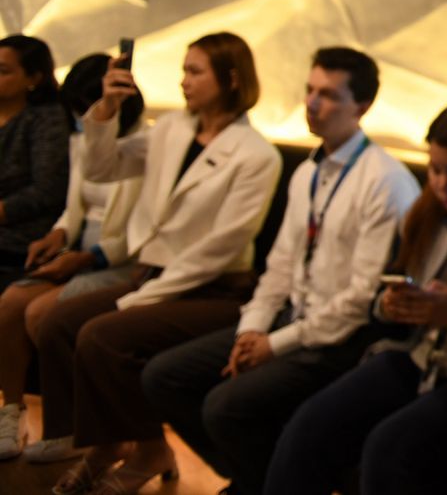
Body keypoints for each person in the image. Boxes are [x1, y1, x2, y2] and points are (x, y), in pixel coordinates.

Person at [141, 47, 420, 495]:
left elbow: (360, 299)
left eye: (328, 95)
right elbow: (281, 265)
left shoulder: (384, 181)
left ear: (362, 106)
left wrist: (275, 344)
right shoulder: (308, 172)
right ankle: (260, 480)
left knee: (224, 406)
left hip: (342, 338)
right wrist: (251, 330)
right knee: (164, 376)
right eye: (309, 90)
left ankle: (267, 482)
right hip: (293, 319)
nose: (311, 103)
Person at [262, 100, 447, 495]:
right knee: (310, 425)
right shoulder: (430, 214)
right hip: (421, 356)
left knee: (388, 450)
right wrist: (390, 306)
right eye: (436, 170)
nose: (442, 184)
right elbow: (385, 296)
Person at [34, 32, 281, 495]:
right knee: (58, 323)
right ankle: (106, 443)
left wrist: (144, 297)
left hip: (213, 287)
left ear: (231, 79)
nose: (183, 81)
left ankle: (150, 449)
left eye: (195, 72)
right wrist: (107, 110)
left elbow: (220, 249)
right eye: (184, 70)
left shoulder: (256, 155)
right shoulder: (172, 128)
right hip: (154, 275)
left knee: (102, 335)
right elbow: (102, 169)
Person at [0, 54, 146, 463]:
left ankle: (70, 426)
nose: (85, 120)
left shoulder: (144, 146)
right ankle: (12, 412)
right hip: (79, 252)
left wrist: (86, 257)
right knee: (10, 303)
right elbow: (74, 206)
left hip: (117, 260)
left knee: (41, 314)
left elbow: (142, 231)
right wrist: (58, 233)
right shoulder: (83, 139)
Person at [0, 35, 71, 292]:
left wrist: (3, 210)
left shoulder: (46, 119)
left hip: (18, 239)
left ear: (33, 78)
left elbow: (47, 189)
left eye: (3, 71)